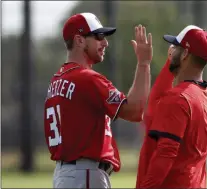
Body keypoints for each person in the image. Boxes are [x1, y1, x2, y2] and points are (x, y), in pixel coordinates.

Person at [44, 12, 153, 188]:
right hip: (84, 173)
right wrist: (144, 64)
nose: (105, 42)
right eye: (99, 36)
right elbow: (134, 111)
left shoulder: (57, 79)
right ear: (79, 40)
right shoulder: (86, 78)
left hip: (66, 173)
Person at [136, 25, 207, 188]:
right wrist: (170, 64)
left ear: (185, 53)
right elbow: (155, 104)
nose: (171, 51)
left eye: (176, 47)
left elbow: (165, 154)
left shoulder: (178, 98)